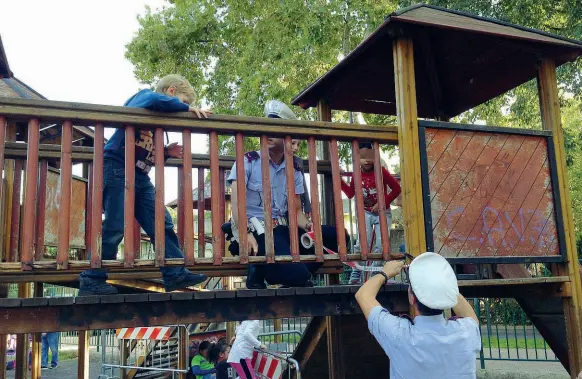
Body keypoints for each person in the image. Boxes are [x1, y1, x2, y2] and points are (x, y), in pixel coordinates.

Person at [79, 74, 211, 295]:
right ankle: (92, 278)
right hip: (117, 166)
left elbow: (144, 153)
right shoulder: (145, 96)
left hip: (139, 175)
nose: (183, 107)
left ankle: (173, 272)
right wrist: (185, 109)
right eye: (183, 101)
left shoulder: (154, 120)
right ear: (170, 91)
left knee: (162, 221)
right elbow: (152, 101)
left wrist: (165, 153)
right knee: (115, 225)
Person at [227, 100, 347, 288]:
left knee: (338, 236)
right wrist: (245, 234)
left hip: (283, 230)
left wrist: (309, 226)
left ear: (287, 136)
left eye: (275, 128)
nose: (269, 134)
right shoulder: (247, 161)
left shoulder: (294, 168)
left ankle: (274, 271)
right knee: (298, 275)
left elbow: (296, 211)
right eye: (267, 127)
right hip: (257, 230)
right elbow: (235, 205)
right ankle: (283, 273)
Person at [355, 252, 481, 379]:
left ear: (411, 298)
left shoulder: (398, 334)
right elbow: (470, 317)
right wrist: (441, 283)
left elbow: (363, 294)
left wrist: (385, 273)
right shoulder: (467, 332)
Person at [341, 142, 401, 284]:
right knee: (362, 243)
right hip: (365, 213)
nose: (367, 160)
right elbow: (350, 194)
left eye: (370, 156)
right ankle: (356, 272)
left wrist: (382, 203)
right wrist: (339, 179)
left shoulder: (381, 172)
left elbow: (396, 189)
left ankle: (376, 275)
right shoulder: (356, 173)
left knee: (381, 245)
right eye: (363, 157)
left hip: (382, 212)